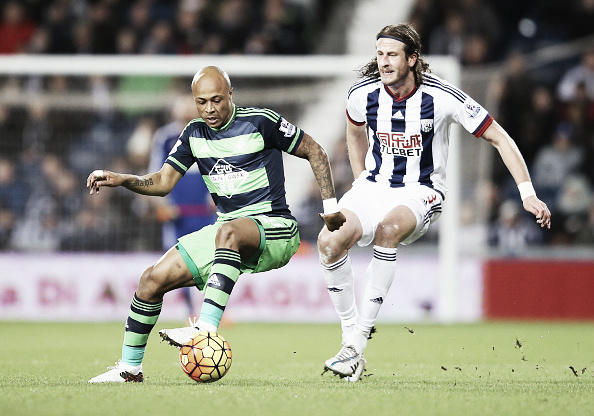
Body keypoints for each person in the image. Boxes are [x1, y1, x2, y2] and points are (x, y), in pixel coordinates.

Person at [317, 24, 551, 382]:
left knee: (388, 230)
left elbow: (499, 138)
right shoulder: (361, 94)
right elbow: (353, 130)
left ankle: (356, 345)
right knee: (328, 242)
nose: (383, 61)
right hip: (374, 187)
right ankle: (350, 337)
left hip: (420, 192)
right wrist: (362, 177)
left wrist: (527, 193)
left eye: (392, 54)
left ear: (412, 59)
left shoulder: (441, 96)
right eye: (380, 54)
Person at [87, 66, 346, 383]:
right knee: (151, 280)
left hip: (275, 227)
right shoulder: (194, 133)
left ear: (231, 94)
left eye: (216, 100)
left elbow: (315, 150)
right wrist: (124, 179)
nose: (209, 109)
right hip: (228, 231)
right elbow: (163, 181)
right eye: (202, 102)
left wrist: (330, 205)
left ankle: (204, 329)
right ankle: (129, 369)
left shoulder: (261, 121)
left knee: (227, 231)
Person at [148, 95, 217, 317]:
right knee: (180, 259)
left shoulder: (212, 133)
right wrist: (163, 202)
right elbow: (156, 173)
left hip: (205, 210)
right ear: (174, 111)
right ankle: (189, 309)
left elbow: (220, 167)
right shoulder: (165, 137)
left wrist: (218, 196)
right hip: (178, 211)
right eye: (183, 106)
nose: (187, 110)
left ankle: (212, 309)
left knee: (214, 257)